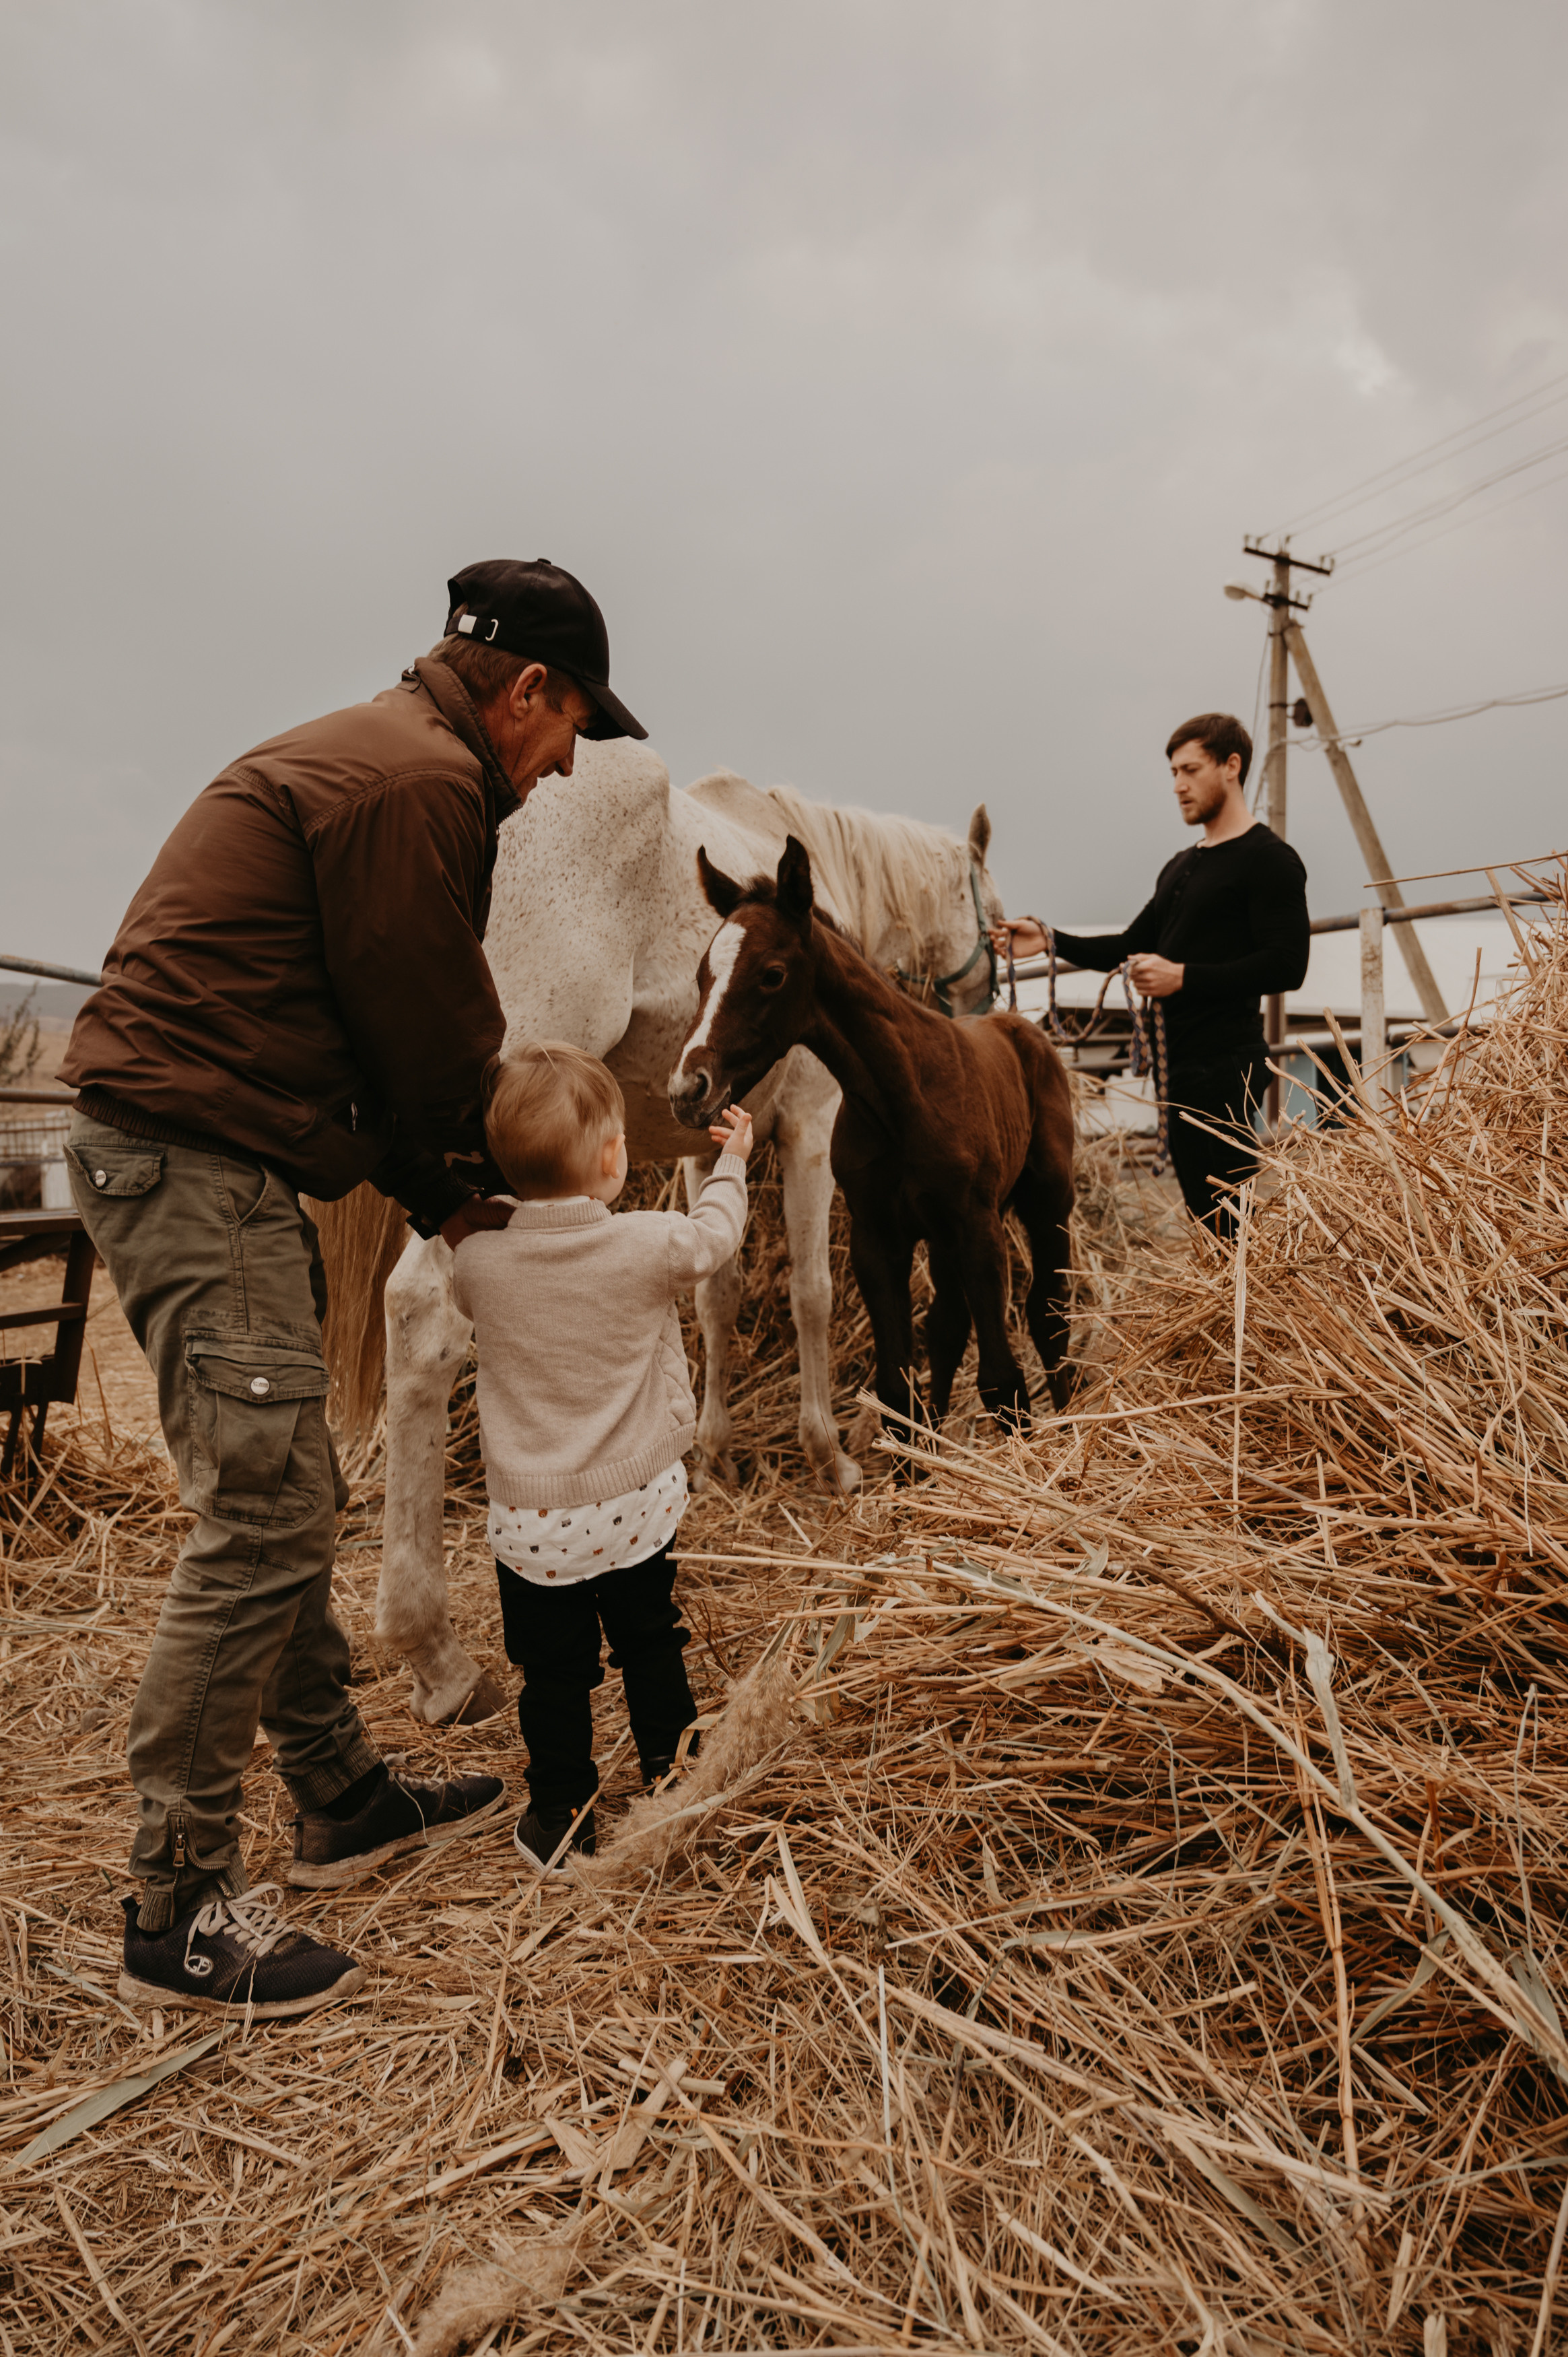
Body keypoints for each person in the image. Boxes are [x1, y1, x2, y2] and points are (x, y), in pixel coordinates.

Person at [59, 558, 648, 2018]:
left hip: (210, 1140)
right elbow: (435, 1040)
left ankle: (334, 1793)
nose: (571, 757)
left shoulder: (388, 758)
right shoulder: (420, 787)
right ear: (525, 693)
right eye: (571, 722)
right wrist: (520, 1191)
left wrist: (451, 1204)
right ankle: (175, 1906)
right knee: (262, 1508)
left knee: (285, 1480)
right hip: (195, 1154)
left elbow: (379, 1045)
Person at [449, 1043, 751, 1872]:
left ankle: (559, 1813)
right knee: (652, 1644)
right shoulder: (650, 1242)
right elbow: (716, 1235)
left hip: (530, 1527)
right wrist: (732, 1160)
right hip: (633, 1508)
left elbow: (464, 1267)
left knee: (552, 1674)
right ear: (616, 1155)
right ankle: (672, 1780)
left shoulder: (479, 1264)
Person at [998, 714, 1309, 1234]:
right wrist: (1049, 940)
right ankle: (1230, 1305)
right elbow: (1129, 945)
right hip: (1178, 1062)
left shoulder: (1268, 859)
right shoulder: (1180, 865)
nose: (1178, 786)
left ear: (1231, 766)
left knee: (1229, 1217)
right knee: (1204, 1215)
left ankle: (1258, 1308)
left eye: (1190, 770)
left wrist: (1184, 977)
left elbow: (1286, 964)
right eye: (1172, 773)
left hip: (1227, 1062)